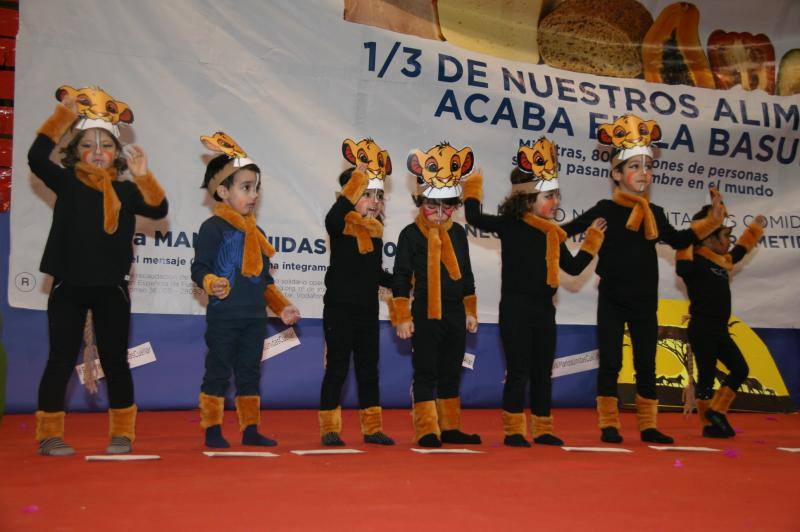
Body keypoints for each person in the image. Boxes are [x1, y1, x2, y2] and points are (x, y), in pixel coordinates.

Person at [562, 115, 724, 444]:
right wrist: (542, 228)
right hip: (611, 297)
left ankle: (648, 425)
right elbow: (563, 232)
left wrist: (711, 222)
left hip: (644, 300)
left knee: (646, 363)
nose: (644, 174)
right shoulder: (605, 208)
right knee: (610, 361)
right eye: (635, 167)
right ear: (617, 174)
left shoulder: (656, 214)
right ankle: (609, 424)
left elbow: (680, 241)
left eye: (647, 167)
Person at [30, 85, 168, 455]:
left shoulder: (125, 192)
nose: (97, 152)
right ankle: (49, 433)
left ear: (116, 154)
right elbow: (36, 156)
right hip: (68, 286)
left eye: (106, 146)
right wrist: (64, 115)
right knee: (61, 358)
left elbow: (157, 209)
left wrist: (143, 175)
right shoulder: (65, 180)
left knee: (115, 360)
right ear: (75, 151)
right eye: (88, 145)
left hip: (111, 288)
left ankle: (122, 431)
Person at [463, 138, 606, 446]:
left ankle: (542, 428)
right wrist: (473, 187)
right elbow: (474, 218)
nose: (555, 202)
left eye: (556, 195)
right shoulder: (511, 225)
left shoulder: (555, 235)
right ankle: (514, 430)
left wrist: (592, 240)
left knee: (543, 371)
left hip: (544, 310)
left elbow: (574, 268)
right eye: (548, 195)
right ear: (528, 198)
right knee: (519, 371)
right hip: (515, 308)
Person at [192, 131, 300, 448]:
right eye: (245, 188)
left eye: (256, 188)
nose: (253, 195)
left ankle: (250, 429)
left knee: (250, 373)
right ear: (223, 191)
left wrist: (282, 307)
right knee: (218, 372)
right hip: (224, 316)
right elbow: (199, 269)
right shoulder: (212, 228)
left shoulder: (259, 233)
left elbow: (264, 282)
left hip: (254, 317)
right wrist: (212, 282)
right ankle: (212, 430)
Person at [392, 142, 480, 448]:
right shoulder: (410, 234)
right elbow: (401, 278)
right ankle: (427, 428)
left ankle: (451, 426)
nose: (441, 214)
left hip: (455, 313)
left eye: (448, 206)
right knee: (426, 370)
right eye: (433, 206)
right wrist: (402, 316)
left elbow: (467, 274)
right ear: (419, 201)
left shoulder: (458, 234)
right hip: (426, 314)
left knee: (451, 370)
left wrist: (471, 310)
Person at [318, 138, 395, 446]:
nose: (374, 201)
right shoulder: (341, 225)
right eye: (366, 194)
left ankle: (372, 427)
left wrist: (403, 282)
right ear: (350, 197)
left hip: (366, 311)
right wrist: (357, 180)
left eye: (379, 195)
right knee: (337, 367)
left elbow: (376, 274)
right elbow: (333, 217)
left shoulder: (375, 233)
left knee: (368, 370)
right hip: (339, 309)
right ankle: (329, 428)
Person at [676, 196, 766, 437]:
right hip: (702, 328)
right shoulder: (693, 261)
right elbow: (681, 267)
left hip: (720, 329)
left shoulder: (723, 261)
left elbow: (739, 252)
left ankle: (716, 412)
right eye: (725, 235)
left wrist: (755, 229)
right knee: (705, 379)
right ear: (708, 237)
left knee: (740, 369)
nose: (729, 241)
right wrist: (695, 234)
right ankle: (709, 425)